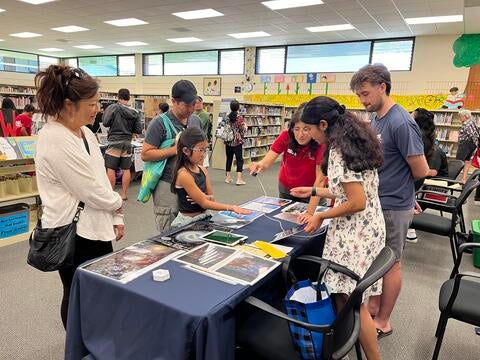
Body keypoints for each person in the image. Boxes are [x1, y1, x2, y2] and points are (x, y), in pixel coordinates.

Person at [289, 96, 385, 360]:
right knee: (349, 297)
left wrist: (321, 216)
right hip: (370, 227)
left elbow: (356, 201)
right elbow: (349, 189)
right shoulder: (355, 140)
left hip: (355, 233)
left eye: (309, 129)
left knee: (352, 302)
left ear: (323, 124)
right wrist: (313, 190)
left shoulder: (337, 151)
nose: (307, 135)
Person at [33, 65, 124, 329]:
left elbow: (99, 179)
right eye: (92, 103)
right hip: (73, 231)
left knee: (97, 291)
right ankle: (76, 347)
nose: (97, 109)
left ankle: (95, 340)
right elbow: (90, 190)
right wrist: (118, 203)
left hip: (94, 225)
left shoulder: (85, 132)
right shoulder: (54, 139)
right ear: (69, 104)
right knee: (76, 292)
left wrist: (116, 215)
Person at [350, 64, 428, 339]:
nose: (363, 100)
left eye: (366, 93)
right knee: (377, 259)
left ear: (383, 87)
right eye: (359, 96)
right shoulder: (378, 117)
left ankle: (384, 320)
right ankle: (373, 305)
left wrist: (408, 197)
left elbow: (420, 170)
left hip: (394, 205)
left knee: (392, 263)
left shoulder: (401, 121)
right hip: (380, 202)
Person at [141, 80, 202, 231]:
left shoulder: (196, 121)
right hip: (167, 184)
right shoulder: (159, 123)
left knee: (193, 227)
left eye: (193, 105)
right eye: (186, 105)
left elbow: (201, 151)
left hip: (191, 182)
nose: (191, 109)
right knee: (169, 229)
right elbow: (145, 154)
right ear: (173, 101)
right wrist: (175, 150)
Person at [249, 103, 327, 218]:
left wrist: (310, 212)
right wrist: (259, 165)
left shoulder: (320, 143)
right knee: (285, 221)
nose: (300, 135)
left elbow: (320, 181)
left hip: (311, 192)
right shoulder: (286, 136)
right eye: (297, 129)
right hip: (287, 189)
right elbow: (266, 161)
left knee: (312, 225)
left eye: (306, 130)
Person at [170, 127, 250, 227]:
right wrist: (232, 207)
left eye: (206, 150)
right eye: (200, 150)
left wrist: (203, 197)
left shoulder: (203, 170)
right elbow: (204, 203)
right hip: (187, 222)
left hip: (205, 217)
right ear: (186, 150)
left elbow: (211, 199)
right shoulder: (183, 174)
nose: (204, 155)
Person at [406, 108, 448, 243]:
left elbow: (432, 172)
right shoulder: (426, 140)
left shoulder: (430, 147)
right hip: (426, 183)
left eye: (411, 116)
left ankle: (409, 228)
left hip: (434, 186)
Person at [102, 88, 142, 200]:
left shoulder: (113, 107)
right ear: (129, 97)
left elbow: (105, 123)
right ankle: (124, 194)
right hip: (128, 143)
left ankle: (111, 195)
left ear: (118, 97)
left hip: (115, 142)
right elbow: (138, 130)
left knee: (111, 169)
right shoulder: (135, 112)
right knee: (126, 169)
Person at [224, 100, 247, 185]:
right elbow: (243, 129)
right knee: (239, 160)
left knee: (229, 159)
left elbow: (223, 127)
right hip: (237, 141)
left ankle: (227, 178)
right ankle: (239, 179)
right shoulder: (239, 118)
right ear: (238, 107)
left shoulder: (226, 117)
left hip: (228, 141)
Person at [456, 109, 478, 184]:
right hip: (470, 145)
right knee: (467, 161)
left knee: (458, 162)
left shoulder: (467, 123)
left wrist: (476, 144)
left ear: (465, 116)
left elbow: (473, 135)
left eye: (460, 116)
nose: (460, 118)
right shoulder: (472, 122)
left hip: (465, 144)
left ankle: (452, 179)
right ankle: (464, 179)